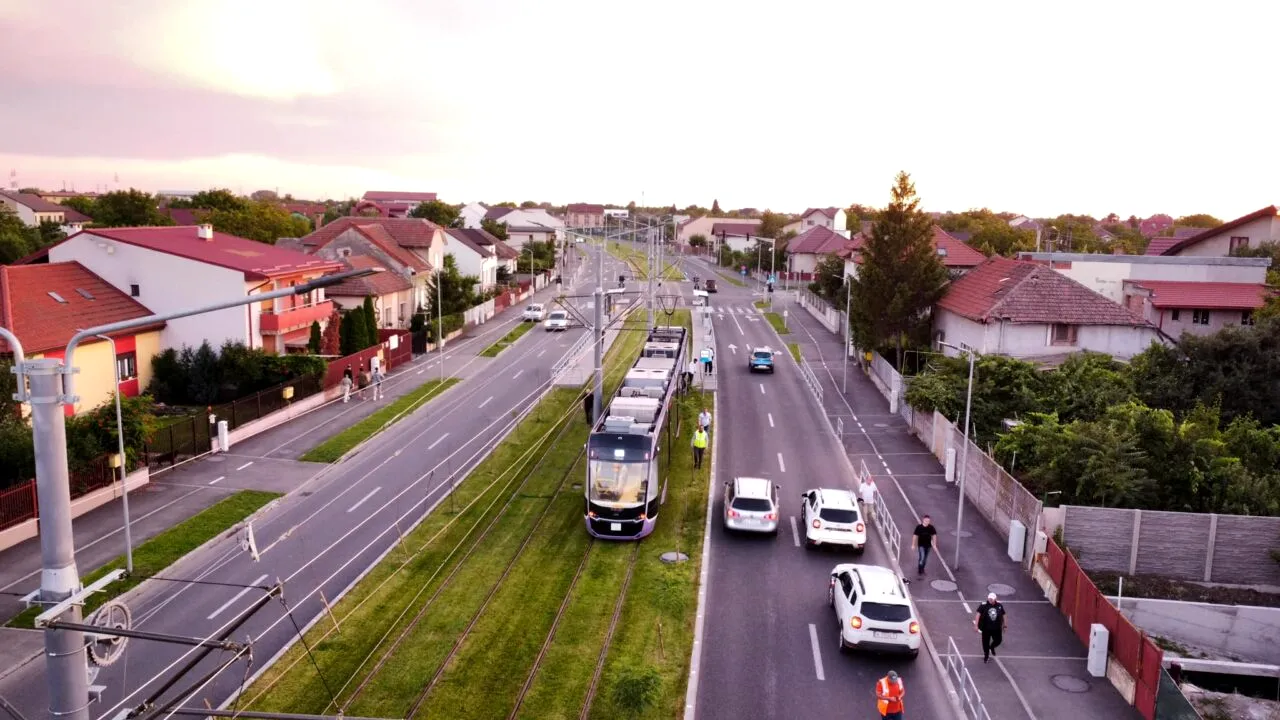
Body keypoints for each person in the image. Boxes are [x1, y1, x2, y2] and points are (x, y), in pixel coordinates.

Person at [975, 592, 1008, 663]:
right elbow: (978, 614)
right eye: (989, 599)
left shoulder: (999, 605)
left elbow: (1004, 614)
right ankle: (986, 656)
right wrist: (976, 625)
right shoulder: (983, 605)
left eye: (992, 599)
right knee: (985, 643)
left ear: (995, 599)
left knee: (998, 640)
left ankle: (992, 647)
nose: (990, 600)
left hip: (996, 628)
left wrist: (1005, 625)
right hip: (986, 628)